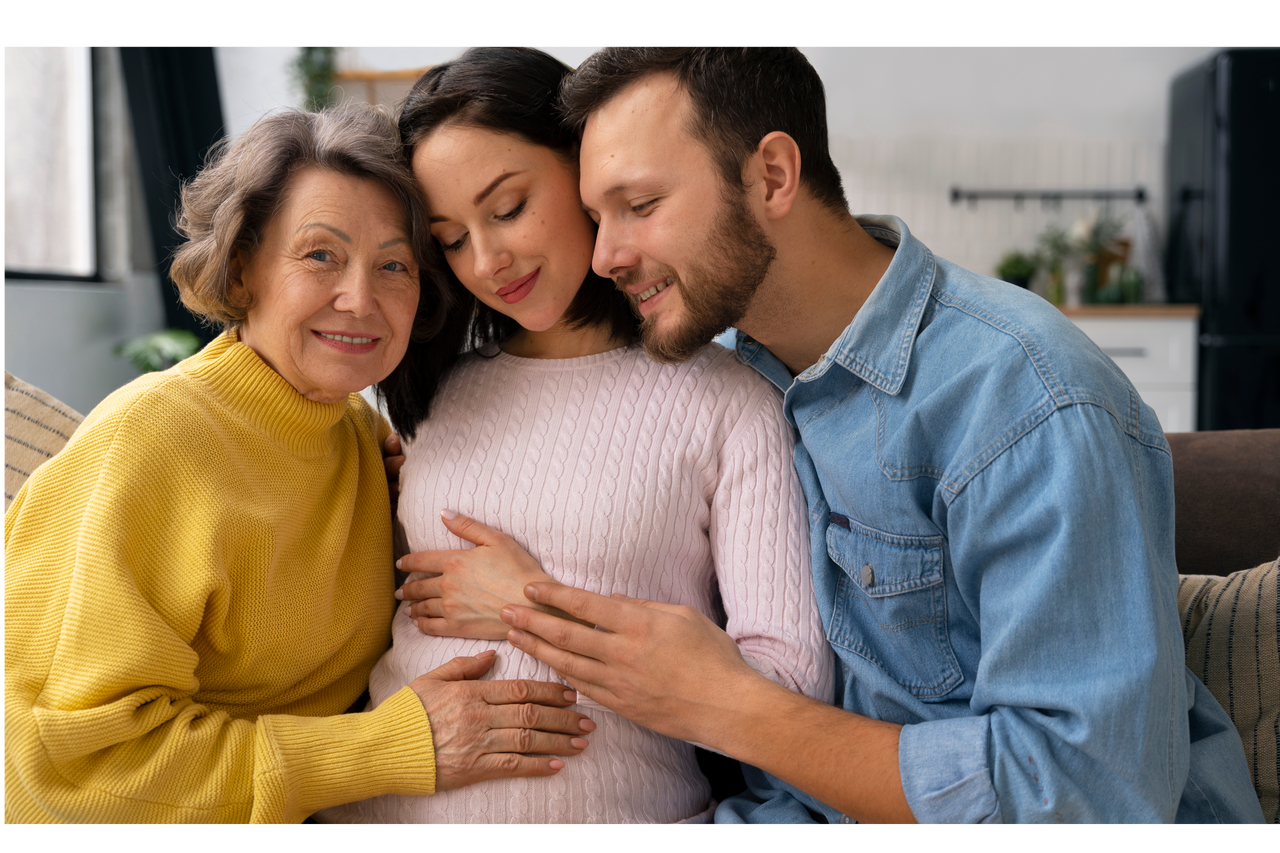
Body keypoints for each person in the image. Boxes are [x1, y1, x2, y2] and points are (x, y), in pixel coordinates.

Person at [471, 45, 1264, 825]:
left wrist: (728, 706)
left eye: (640, 206)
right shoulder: (730, 380)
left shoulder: (1024, 397)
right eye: (596, 217)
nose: (606, 255)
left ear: (772, 176)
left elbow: (1082, 794)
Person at [0, 104, 594, 826]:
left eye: (393, 266)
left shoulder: (361, 440)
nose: (359, 299)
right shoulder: (146, 442)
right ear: (244, 266)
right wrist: (385, 746)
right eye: (321, 255)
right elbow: (72, 770)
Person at [317, 46, 832, 827]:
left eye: (509, 207)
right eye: (453, 239)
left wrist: (532, 608)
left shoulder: (728, 403)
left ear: (582, 167)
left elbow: (787, 690)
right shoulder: (437, 394)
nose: (487, 262)